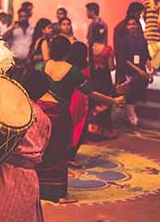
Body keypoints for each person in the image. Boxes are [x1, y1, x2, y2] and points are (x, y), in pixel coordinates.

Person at [36, 35, 124, 203]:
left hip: (41, 112)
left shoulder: (44, 65)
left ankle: (40, 189)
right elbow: (93, 93)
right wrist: (114, 100)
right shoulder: (72, 71)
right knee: (60, 153)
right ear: (67, 51)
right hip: (58, 114)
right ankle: (59, 195)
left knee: (44, 149)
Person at [0, 70, 51, 222]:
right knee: (24, 217)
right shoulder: (45, 119)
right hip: (28, 175)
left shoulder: (10, 110)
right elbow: (43, 147)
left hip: (4, 170)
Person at [115, 17, 152, 128]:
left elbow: (147, 57)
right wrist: (139, 71)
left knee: (139, 91)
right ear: (126, 27)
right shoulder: (124, 40)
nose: (131, 26)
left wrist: (149, 71)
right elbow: (125, 59)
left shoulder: (142, 40)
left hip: (141, 70)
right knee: (131, 92)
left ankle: (127, 113)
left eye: (134, 24)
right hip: (129, 70)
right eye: (129, 24)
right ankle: (131, 117)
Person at [87, 24, 117, 140]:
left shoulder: (88, 48)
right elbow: (111, 67)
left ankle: (92, 129)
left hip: (93, 78)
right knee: (106, 102)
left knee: (93, 102)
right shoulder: (108, 49)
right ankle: (105, 131)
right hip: (104, 79)